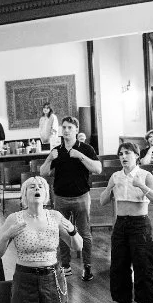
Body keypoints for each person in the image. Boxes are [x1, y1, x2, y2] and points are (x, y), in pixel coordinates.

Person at [100, 142, 153, 303]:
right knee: (119, 265)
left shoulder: (146, 175)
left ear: (136, 155)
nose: (123, 157)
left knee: (144, 265)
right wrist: (109, 188)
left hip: (139, 224)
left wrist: (141, 186)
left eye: (127, 153)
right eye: (120, 154)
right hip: (121, 224)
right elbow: (102, 201)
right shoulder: (115, 176)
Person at [39, 115, 101, 280]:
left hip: (81, 197)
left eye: (70, 128)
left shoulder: (86, 148)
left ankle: (87, 267)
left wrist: (80, 156)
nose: (66, 131)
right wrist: (49, 158)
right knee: (62, 232)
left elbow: (98, 169)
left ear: (76, 130)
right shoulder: (57, 150)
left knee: (84, 233)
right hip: (61, 197)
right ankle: (65, 266)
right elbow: (43, 172)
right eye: (64, 127)